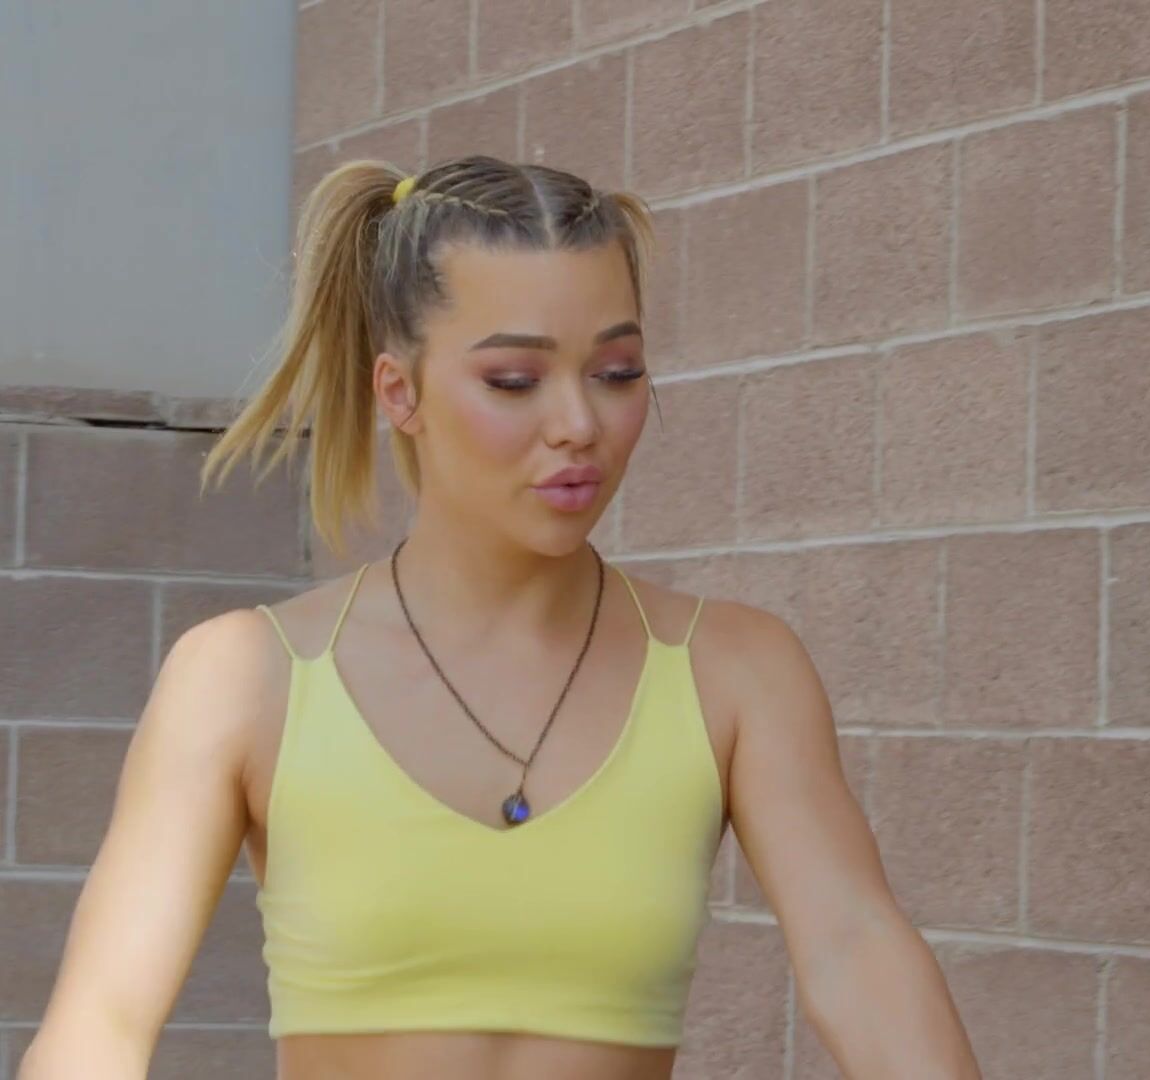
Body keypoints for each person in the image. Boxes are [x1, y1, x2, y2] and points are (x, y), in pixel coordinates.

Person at [19, 155, 982, 1080]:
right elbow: (100, 1024)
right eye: (515, 380)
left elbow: (855, 948)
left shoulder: (735, 671)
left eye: (617, 372)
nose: (579, 424)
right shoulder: (240, 678)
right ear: (399, 391)